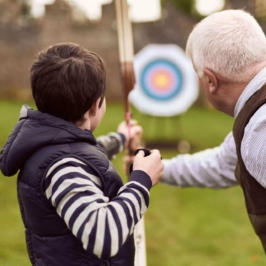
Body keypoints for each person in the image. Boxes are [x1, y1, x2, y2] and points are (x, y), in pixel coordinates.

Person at [0, 43, 164, 266]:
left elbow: (84, 155)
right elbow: (103, 236)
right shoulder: (63, 167)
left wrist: (121, 138)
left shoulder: (53, 146)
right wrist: (141, 181)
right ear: (95, 106)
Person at [161, 9, 266, 252]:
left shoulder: (260, 129)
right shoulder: (253, 122)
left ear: (210, 80)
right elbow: (223, 163)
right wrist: (156, 167)